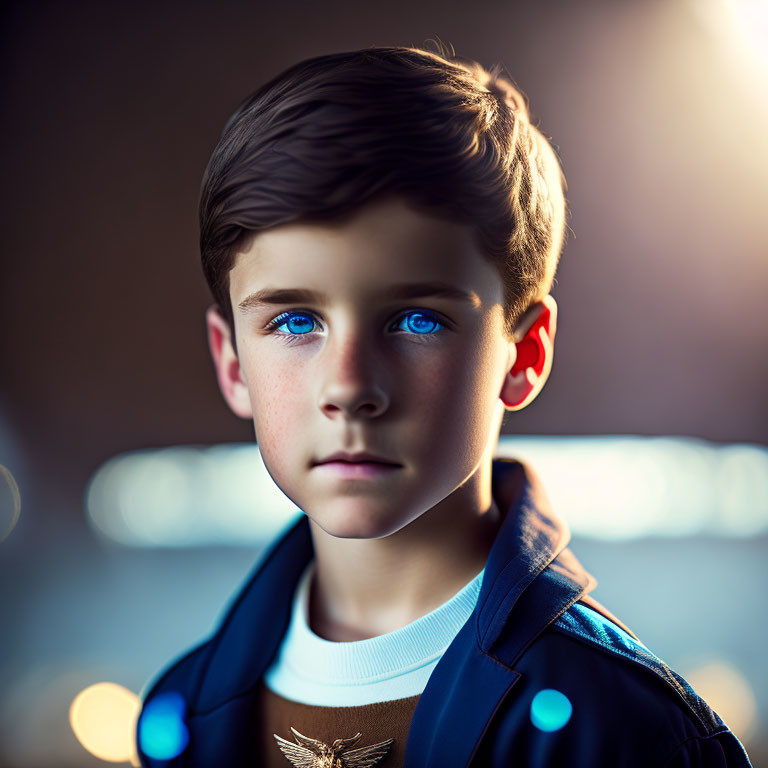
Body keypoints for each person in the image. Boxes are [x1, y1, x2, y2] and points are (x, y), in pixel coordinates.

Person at [134, 43, 753, 767]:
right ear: (232, 361)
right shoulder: (180, 714)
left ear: (523, 355)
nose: (349, 386)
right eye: (296, 321)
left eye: (417, 320)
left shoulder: (629, 733)